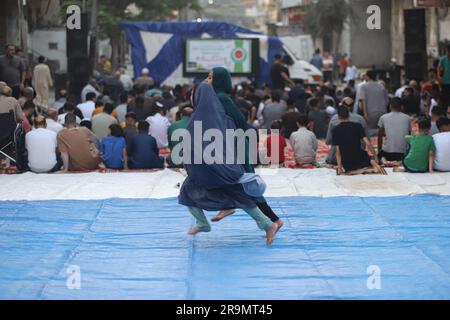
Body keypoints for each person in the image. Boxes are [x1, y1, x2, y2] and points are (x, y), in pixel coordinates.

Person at [178, 83, 278, 244]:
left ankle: (202, 223)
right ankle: (267, 224)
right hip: (225, 167)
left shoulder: (196, 118)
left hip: (205, 168)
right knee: (239, 195)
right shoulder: (224, 117)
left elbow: (188, 144)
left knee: (187, 191)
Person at [209, 67, 284, 230]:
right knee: (237, 180)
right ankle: (271, 219)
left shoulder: (221, 98)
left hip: (238, 144)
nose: (207, 81)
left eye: (210, 77)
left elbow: (239, 122)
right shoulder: (217, 98)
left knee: (248, 182)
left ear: (218, 80)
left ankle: (274, 220)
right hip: (233, 143)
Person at [333, 105, 384, 175]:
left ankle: (359, 170)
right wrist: (375, 157)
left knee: (349, 170)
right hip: (359, 158)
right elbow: (367, 143)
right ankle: (370, 164)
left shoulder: (336, 129)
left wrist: (339, 167)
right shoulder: (357, 126)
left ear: (338, 116)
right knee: (367, 157)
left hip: (347, 163)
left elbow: (338, 150)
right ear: (349, 114)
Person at [377, 97, 411, 165]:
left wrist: (379, 151)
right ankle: (400, 162)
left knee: (381, 155)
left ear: (390, 106)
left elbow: (379, 136)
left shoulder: (383, 117)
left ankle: (384, 160)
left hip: (388, 153)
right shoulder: (407, 118)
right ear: (401, 107)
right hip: (402, 153)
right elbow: (409, 136)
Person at [359, 70, 389, 136]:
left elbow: (364, 101)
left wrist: (365, 113)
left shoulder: (363, 87)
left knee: (370, 132)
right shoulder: (381, 86)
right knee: (382, 132)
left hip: (370, 113)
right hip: (382, 113)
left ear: (367, 76)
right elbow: (387, 102)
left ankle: (372, 146)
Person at [438, 43, 450, 113]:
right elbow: (439, 71)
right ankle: (445, 114)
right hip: (445, 84)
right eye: (448, 51)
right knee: (445, 102)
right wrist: (440, 81)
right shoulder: (442, 60)